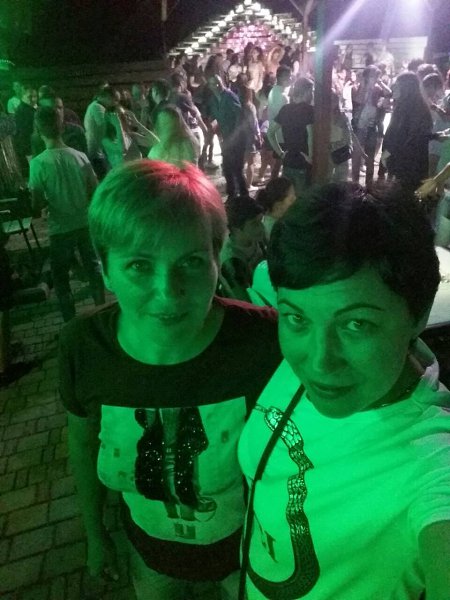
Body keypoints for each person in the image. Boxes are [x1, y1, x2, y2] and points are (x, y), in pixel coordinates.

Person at [60, 160, 282, 600]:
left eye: (192, 262)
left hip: (250, 553)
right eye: (139, 265)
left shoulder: (265, 342)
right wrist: (95, 534)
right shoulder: (84, 347)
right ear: (105, 269)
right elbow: (82, 445)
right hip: (148, 555)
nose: (168, 292)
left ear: (217, 260)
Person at [238, 181, 450, 600]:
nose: (319, 361)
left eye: (356, 324)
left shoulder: (430, 465)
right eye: (296, 318)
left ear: (419, 314)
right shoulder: (303, 363)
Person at [29, 107, 105, 321]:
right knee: (93, 269)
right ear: (62, 127)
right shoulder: (80, 157)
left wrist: (43, 204)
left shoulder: (37, 163)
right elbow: (94, 191)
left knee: (61, 279)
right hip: (84, 223)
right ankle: (100, 313)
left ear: (38, 131)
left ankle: (71, 322)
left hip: (59, 228)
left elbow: (36, 204)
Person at [382, 71, 436, 192]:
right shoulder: (413, 107)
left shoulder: (411, 109)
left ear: (406, 88)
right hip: (410, 161)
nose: (393, 88)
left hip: (408, 161)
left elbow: (404, 135)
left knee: (405, 192)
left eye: (397, 86)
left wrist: (388, 152)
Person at [267, 77, 314, 196]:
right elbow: (310, 135)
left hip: (288, 160)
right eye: (312, 91)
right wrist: (310, 157)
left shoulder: (285, 109)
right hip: (303, 162)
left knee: (288, 197)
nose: (312, 94)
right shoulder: (309, 110)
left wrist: (281, 153)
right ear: (306, 92)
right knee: (302, 198)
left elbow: (270, 133)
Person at [206, 75, 247, 199]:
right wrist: (214, 130)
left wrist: (234, 135)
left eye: (218, 82)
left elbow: (239, 116)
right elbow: (214, 117)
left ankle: (244, 195)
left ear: (222, 82)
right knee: (227, 167)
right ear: (210, 86)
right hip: (225, 138)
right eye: (213, 83)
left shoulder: (229, 96)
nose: (217, 85)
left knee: (237, 168)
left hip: (236, 138)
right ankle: (232, 194)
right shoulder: (213, 100)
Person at [220, 195, 266, 302]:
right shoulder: (231, 260)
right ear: (236, 229)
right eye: (254, 224)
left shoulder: (256, 239)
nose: (261, 227)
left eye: (261, 221)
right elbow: (244, 299)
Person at [84, 84, 119, 179]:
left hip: (97, 150)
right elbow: (105, 128)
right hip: (96, 152)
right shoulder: (97, 107)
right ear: (108, 97)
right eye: (115, 100)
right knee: (103, 178)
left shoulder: (95, 106)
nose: (116, 103)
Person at [266, 65, 291, 181]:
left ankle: (273, 184)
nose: (290, 79)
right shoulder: (282, 96)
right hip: (282, 135)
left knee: (277, 164)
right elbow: (286, 118)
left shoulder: (273, 91)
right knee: (282, 163)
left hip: (275, 133)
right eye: (288, 76)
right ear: (280, 77)